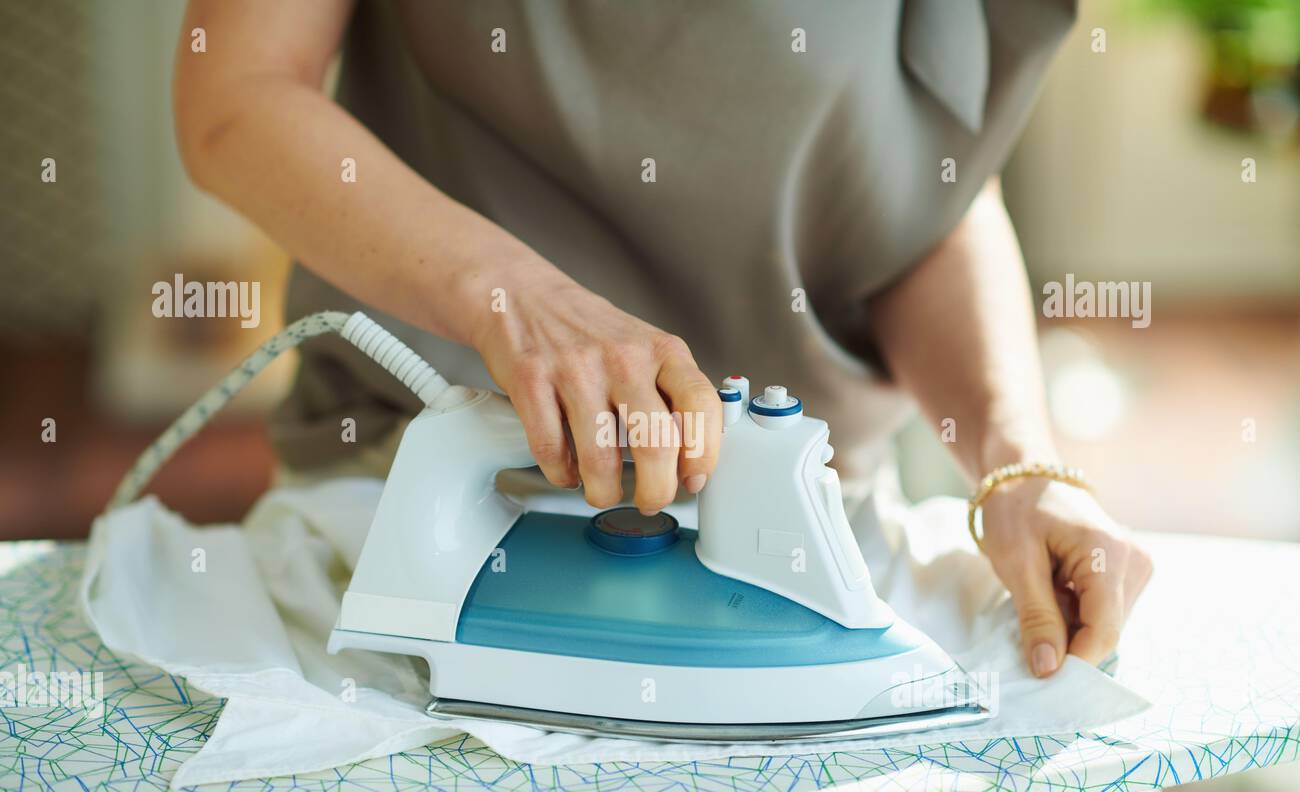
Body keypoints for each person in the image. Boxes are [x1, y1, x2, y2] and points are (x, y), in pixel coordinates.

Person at [173, 0, 1151, 679]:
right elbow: (238, 94)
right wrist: (510, 300)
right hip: (408, 455)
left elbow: (919, 191)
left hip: (815, 501)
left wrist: (1016, 463)